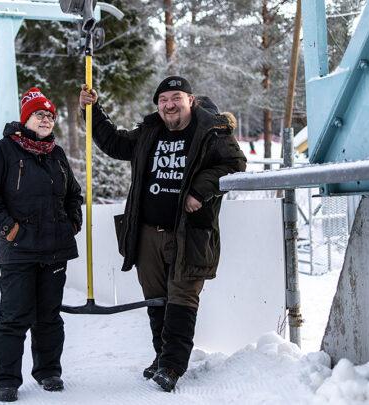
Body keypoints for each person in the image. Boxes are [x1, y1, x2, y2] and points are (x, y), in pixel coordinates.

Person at [78, 76, 246, 392]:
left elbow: (235, 164)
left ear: (190, 100)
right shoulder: (150, 132)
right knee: (156, 299)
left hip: (190, 233)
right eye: (163, 99)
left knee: (182, 298)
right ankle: (161, 356)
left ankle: (171, 365)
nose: (169, 105)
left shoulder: (212, 132)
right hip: (147, 234)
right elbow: (114, 143)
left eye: (176, 98)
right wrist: (92, 111)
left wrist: (200, 189)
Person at [0, 87, 83, 402]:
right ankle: (5, 379)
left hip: (54, 249)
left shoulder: (57, 154)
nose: (46, 120)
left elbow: (73, 194)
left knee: (49, 315)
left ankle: (49, 371)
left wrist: (72, 222)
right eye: (40, 114)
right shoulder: (4, 151)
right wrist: (8, 228)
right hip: (19, 249)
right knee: (14, 315)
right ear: (26, 119)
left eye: (50, 116)